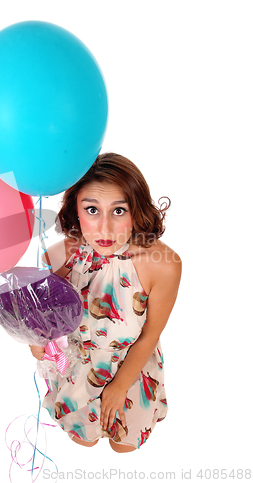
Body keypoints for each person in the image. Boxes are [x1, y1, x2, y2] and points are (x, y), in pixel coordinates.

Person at [29, 152, 182, 452]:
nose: (105, 229)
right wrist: (36, 341)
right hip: (80, 364)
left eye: (119, 210)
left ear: (136, 210)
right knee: (81, 442)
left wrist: (119, 387)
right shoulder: (58, 258)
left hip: (132, 362)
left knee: (123, 447)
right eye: (92, 210)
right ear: (75, 209)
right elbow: (47, 327)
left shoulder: (163, 265)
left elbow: (150, 334)